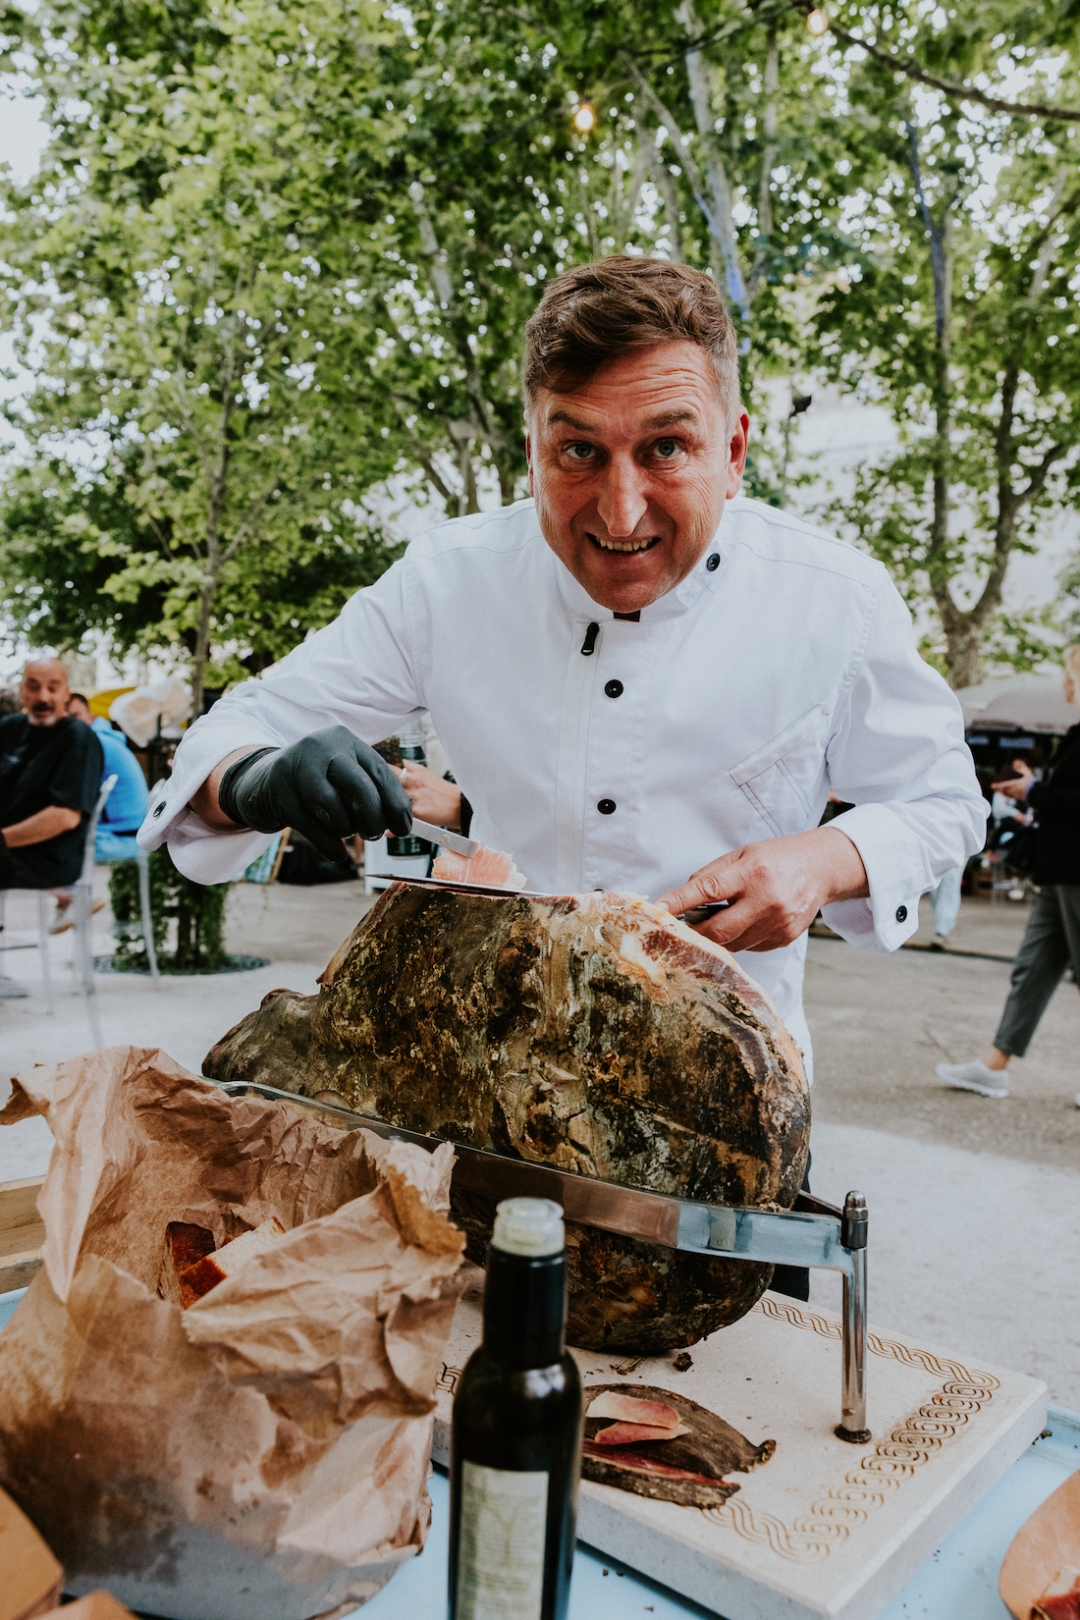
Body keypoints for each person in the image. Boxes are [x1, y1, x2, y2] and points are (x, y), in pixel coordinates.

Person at [140, 256, 986, 1085]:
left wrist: (825, 859)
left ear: (733, 452)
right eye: (578, 451)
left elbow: (944, 802)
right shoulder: (447, 582)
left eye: (666, 448)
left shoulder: (835, 599)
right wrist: (259, 782)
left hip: (729, 1096)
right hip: (485, 1077)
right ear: (533, 446)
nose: (621, 512)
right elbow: (232, 735)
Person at [937, 645, 1080, 1107]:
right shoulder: (1077, 733)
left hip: (1075, 871)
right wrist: (1033, 785)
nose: (1066, 684)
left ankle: (995, 1065)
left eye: (1072, 674)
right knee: (1032, 970)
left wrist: (1036, 789)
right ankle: (994, 1066)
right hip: (1057, 871)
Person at [0, 657, 104, 955]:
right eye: (34, 687)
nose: (43, 697)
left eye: (52, 688)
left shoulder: (78, 739)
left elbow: (65, 817)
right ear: (22, 691)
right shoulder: (9, 728)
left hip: (48, 856)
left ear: (66, 693)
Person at [67, 693, 149, 860]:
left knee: (43, 845)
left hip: (120, 839)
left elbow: (73, 796)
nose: (73, 724)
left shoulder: (95, 743)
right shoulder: (106, 739)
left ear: (91, 715)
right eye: (67, 719)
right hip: (134, 835)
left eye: (76, 716)